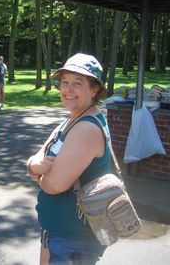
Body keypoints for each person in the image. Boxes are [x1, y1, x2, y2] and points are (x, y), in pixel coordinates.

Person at [26, 53, 110, 264]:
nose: (68, 89)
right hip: (58, 233)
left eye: (77, 83)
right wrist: (34, 165)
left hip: (73, 240)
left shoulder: (87, 128)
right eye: (65, 82)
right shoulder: (71, 121)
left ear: (94, 89)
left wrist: (38, 172)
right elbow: (36, 157)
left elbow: (53, 185)